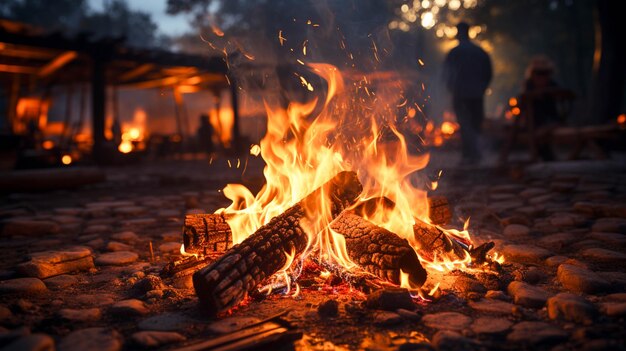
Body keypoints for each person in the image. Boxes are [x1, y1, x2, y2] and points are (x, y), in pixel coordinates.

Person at [443, 22, 492, 165]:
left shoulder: (454, 53)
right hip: (477, 94)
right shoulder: (480, 52)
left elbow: (446, 75)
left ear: (459, 33)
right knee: (476, 123)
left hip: (461, 94)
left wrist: (451, 89)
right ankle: (475, 154)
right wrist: (482, 88)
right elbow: (488, 73)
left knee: (465, 124)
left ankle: (469, 155)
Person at [521, 55, 560, 161]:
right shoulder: (529, 85)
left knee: (546, 131)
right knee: (539, 133)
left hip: (550, 119)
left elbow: (556, 106)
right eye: (539, 73)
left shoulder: (552, 85)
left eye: (545, 73)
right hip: (534, 121)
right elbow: (525, 106)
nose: (542, 77)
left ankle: (546, 156)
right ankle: (545, 156)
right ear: (533, 74)